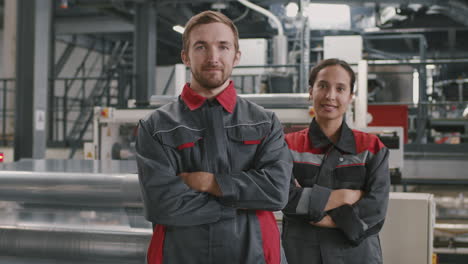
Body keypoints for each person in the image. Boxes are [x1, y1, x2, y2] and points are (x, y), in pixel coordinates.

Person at [135, 10, 292, 264]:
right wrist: (242, 203)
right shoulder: (156, 127)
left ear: (237, 56)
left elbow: (276, 192)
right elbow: (162, 204)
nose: (213, 57)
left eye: (223, 47)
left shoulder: (265, 122)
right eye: (201, 47)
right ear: (185, 56)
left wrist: (210, 183)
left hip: (255, 255)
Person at [282, 58, 390, 263]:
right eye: (322, 86)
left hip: (356, 255)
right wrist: (345, 196)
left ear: (350, 97)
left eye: (340, 89)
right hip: (302, 254)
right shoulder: (288, 145)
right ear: (310, 91)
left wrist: (324, 217)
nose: (330, 96)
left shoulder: (372, 148)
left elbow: (376, 208)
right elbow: (285, 198)